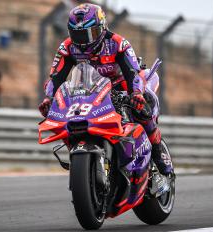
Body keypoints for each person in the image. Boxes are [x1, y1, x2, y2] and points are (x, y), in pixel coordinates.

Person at [38, 3, 173, 177]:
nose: (84, 41)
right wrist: (49, 98)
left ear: (102, 28)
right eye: (77, 34)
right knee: (69, 115)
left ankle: (157, 149)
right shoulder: (67, 47)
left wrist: (137, 94)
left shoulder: (118, 43)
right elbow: (55, 77)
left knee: (143, 105)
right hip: (91, 89)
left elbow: (132, 73)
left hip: (122, 86)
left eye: (89, 33)